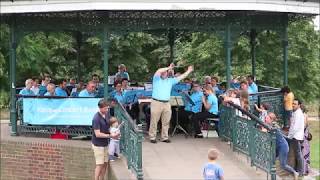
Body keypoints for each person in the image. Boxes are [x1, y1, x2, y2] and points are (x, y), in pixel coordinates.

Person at [149, 63, 193, 143]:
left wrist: (189, 71)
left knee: (166, 121)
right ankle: (152, 137)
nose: (164, 73)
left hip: (166, 103)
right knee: (154, 121)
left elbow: (181, 77)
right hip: (156, 102)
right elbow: (159, 70)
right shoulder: (156, 79)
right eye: (163, 72)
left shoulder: (170, 81)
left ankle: (164, 137)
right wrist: (168, 67)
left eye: (165, 72)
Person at [264, 112, 299, 179]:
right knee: (271, 160)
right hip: (276, 147)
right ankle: (271, 174)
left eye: (267, 118)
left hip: (283, 147)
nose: (265, 119)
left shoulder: (274, 127)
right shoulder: (269, 125)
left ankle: (295, 172)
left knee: (283, 164)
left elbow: (271, 132)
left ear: (271, 119)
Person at [91, 99, 120, 180]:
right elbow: (98, 134)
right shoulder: (96, 119)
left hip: (105, 143)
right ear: (100, 108)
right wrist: (111, 136)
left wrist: (115, 130)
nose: (107, 110)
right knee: (99, 164)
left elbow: (110, 124)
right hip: (98, 145)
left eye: (107, 108)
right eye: (105, 108)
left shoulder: (106, 114)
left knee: (105, 163)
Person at [288, 99, 305, 176]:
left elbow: (295, 127)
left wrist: (289, 136)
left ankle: (301, 172)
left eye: (295, 104)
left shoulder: (298, 114)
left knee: (298, 154)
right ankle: (297, 170)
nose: (293, 105)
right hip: (295, 136)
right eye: (293, 103)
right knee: (297, 154)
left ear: (299, 105)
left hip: (296, 137)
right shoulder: (296, 113)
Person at [301, 104, 311, 175]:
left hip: (304, 136)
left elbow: (304, 126)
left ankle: (304, 170)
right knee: (306, 152)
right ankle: (306, 169)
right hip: (306, 136)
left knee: (303, 153)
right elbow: (307, 125)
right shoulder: (306, 115)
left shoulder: (302, 116)